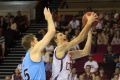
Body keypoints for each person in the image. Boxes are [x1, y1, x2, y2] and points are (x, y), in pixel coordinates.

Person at [52, 12, 98, 80]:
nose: (64, 35)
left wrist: (89, 33)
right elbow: (80, 38)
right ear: (56, 40)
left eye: (64, 34)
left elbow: (86, 52)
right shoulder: (59, 49)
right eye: (60, 35)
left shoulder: (68, 54)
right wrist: (89, 22)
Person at [21, 7, 55, 80]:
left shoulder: (25, 59)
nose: (38, 41)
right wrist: (49, 18)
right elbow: (52, 31)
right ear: (32, 43)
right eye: (36, 40)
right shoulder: (34, 50)